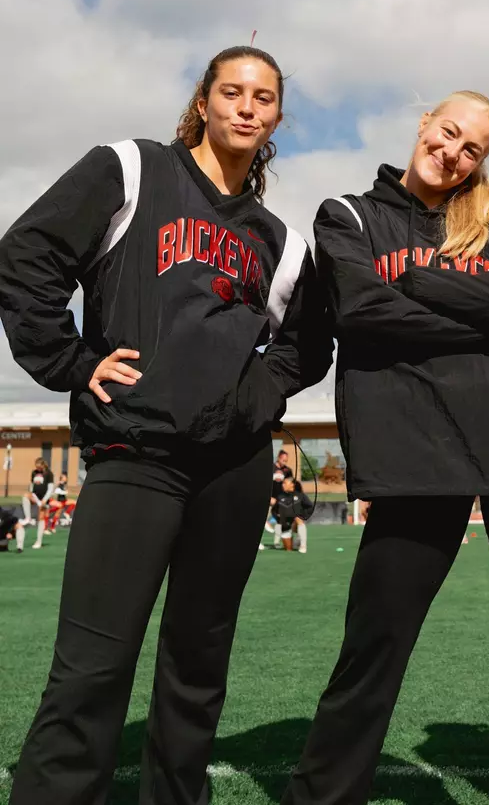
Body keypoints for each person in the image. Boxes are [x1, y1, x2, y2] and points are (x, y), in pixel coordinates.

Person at [0, 44, 332, 805]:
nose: (247, 106)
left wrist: (258, 393)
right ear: (205, 101)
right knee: (93, 666)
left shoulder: (279, 243)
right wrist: (73, 362)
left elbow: (310, 345)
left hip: (234, 467)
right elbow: (25, 258)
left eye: (264, 96)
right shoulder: (132, 169)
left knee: (197, 667)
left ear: (277, 115)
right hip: (135, 453)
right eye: (232, 91)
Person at [282, 90, 489, 805]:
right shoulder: (348, 216)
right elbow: (362, 312)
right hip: (417, 448)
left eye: (472, 148)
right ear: (425, 121)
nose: (453, 151)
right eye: (449, 132)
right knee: (375, 645)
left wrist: (419, 280)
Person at [274, 477, 314, 552]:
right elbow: (274, 510)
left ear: (292, 484)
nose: (283, 485)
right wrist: (278, 518)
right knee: (289, 549)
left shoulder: (300, 495)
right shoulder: (280, 496)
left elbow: (310, 507)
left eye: (285, 483)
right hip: (285, 525)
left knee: (298, 518)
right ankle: (295, 542)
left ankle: (303, 545)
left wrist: (303, 515)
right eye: (283, 483)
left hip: (295, 522)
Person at [23, 456, 55, 548]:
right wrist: (33, 495)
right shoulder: (34, 472)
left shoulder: (49, 473)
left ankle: (39, 541)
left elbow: (50, 489)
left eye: (38, 466)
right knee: (25, 496)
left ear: (42, 465)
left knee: (41, 517)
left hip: (44, 498)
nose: (37, 468)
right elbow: (31, 486)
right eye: (36, 466)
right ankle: (28, 518)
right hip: (35, 497)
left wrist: (44, 500)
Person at [268, 448, 294, 531]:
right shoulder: (269, 468)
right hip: (269, 497)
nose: (284, 462)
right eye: (283, 460)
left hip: (280, 498)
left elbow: (290, 485)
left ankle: (276, 542)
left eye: (286, 461)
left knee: (281, 519)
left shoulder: (288, 470)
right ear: (278, 458)